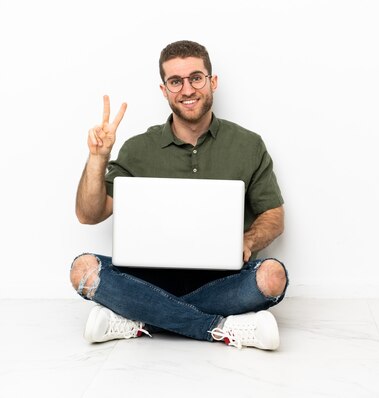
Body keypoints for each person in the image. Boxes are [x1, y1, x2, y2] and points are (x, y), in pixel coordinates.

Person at [70, 40, 288, 350]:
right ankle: (219, 328)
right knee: (83, 270)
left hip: (222, 279)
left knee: (272, 277)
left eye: (196, 78)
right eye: (175, 81)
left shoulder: (248, 144)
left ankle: (138, 317)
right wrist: (97, 158)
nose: (187, 89)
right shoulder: (138, 148)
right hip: (149, 279)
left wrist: (247, 241)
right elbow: (89, 214)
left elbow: (274, 216)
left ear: (212, 82)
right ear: (164, 90)